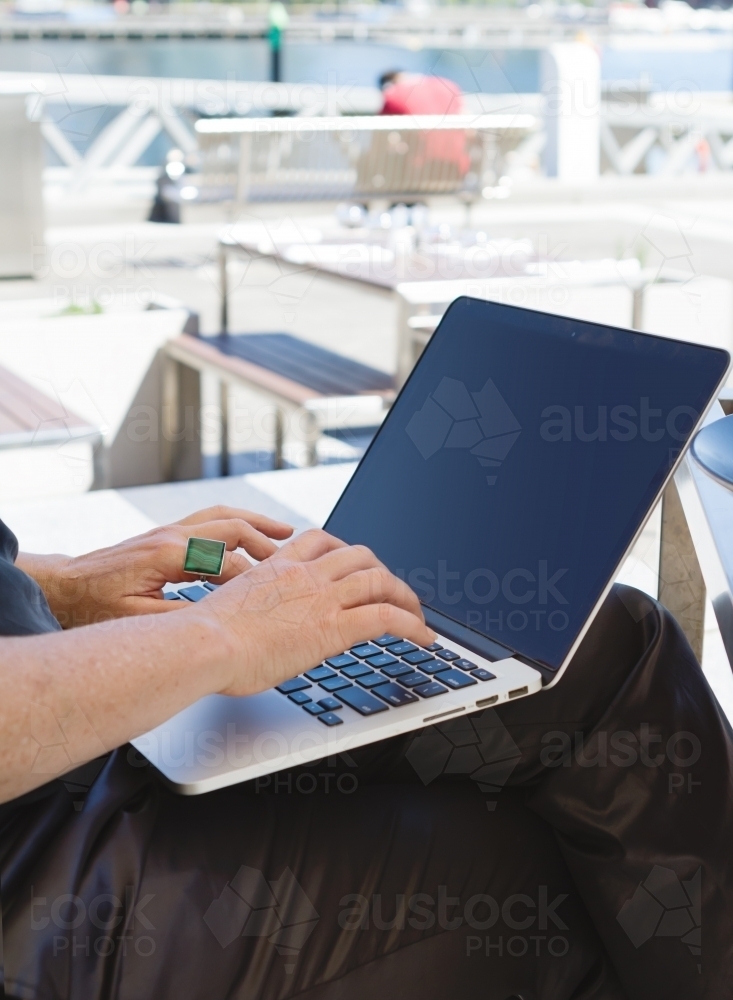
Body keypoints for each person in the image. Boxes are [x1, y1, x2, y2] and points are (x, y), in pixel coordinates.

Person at [0, 506, 731, 999]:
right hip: (39, 879)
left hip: (57, 752)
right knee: (530, 865)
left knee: (608, 646)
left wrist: (57, 585)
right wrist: (220, 638)